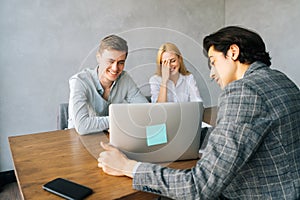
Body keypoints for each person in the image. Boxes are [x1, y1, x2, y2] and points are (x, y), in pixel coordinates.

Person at [97, 26, 300, 199]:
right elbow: (246, 135)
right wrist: (185, 136)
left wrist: (127, 167)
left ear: (233, 52)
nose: (212, 74)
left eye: (213, 61)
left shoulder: (243, 91)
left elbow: (199, 187)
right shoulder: (281, 80)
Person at [68, 35, 148, 135]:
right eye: (111, 61)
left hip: (110, 138)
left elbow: (145, 110)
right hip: (77, 141)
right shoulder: (79, 81)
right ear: (99, 58)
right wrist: (120, 119)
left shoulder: (124, 79)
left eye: (120, 63)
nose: (115, 68)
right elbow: (82, 126)